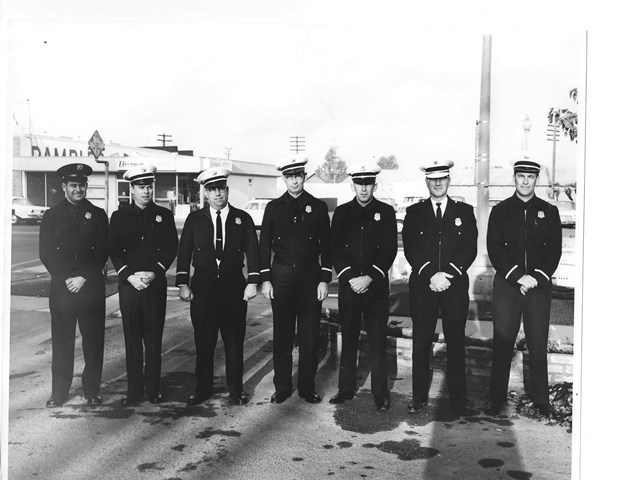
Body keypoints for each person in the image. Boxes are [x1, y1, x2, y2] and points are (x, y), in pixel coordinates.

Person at [484, 157, 562, 417]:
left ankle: (541, 400)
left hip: (538, 288)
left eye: (530, 177)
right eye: (521, 176)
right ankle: (496, 398)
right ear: (514, 178)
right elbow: (494, 249)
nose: (525, 181)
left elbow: (554, 251)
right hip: (508, 286)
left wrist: (537, 277)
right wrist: (518, 276)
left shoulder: (549, 211)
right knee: (503, 343)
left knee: (538, 344)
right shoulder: (501, 210)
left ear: (536, 180)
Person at [176, 168, 260, 406]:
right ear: (205, 193)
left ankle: (236, 390)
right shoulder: (195, 219)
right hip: (203, 289)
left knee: (234, 342)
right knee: (204, 342)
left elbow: (252, 251)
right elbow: (184, 253)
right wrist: (183, 283)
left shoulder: (242, 218)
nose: (217, 194)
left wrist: (252, 282)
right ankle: (202, 389)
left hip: (234, 288)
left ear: (227, 190)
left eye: (220, 189)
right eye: (212, 190)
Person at [401, 160, 478, 415]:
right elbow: (411, 248)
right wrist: (431, 275)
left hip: (454, 286)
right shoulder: (414, 213)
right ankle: (419, 397)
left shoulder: (464, 212)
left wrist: (448, 275)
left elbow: (470, 248)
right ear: (426, 182)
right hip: (424, 286)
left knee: (456, 342)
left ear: (449, 180)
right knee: (421, 342)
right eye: (433, 179)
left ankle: (458, 400)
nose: (437, 183)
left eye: (442, 178)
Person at [259, 157, 332, 404]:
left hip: (310, 279)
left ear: (304, 176)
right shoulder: (274, 207)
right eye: (289, 177)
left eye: (298, 176)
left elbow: (327, 247)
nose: (294, 181)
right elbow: (263, 247)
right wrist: (265, 280)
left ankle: (306, 387)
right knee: (282, 336)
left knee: (310, 336)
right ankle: (282, 387)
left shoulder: (317, 207)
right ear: (284, 179)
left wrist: (324, 279)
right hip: (281, 279)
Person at [328, 163, 397, 411]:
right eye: (360, 183)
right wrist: (349, 277)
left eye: (368, 183)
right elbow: (334, 248)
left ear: (374, 185)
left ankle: (381, 393)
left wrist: (369, 278)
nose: (364, 188)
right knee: (348, 339)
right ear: (353, 185)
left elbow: (389, 249)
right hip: (349, 287)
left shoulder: (386, 212)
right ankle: (345, 390)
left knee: (378, 341)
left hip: (375, 287)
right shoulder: (343, 212)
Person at [39, 163, 109, 408]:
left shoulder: (98, 214)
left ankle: (92, 391)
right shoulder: (51, 216)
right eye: (73, 185)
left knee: (93, 341)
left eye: (82, 185)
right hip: (63, 289)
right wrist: (67, 277)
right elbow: (46, 252)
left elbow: (102, 251)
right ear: (64, 187)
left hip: (90, 289)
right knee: (62, 341)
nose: (78, 189)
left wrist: (84, 277)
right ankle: (59, 393)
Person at [108, 165, 178, 405]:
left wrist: (155, 272)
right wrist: (129, 276)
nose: (146, 191)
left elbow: (171, 248)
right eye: (141, 187)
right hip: (129, 287)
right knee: (132, 340)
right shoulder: (119, 216)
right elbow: (114, 250)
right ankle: (134, 391)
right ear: (132, 189)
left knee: (153, 340)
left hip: (153, 286)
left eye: (149, 186)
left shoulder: (163, 215)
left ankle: (153, 389)